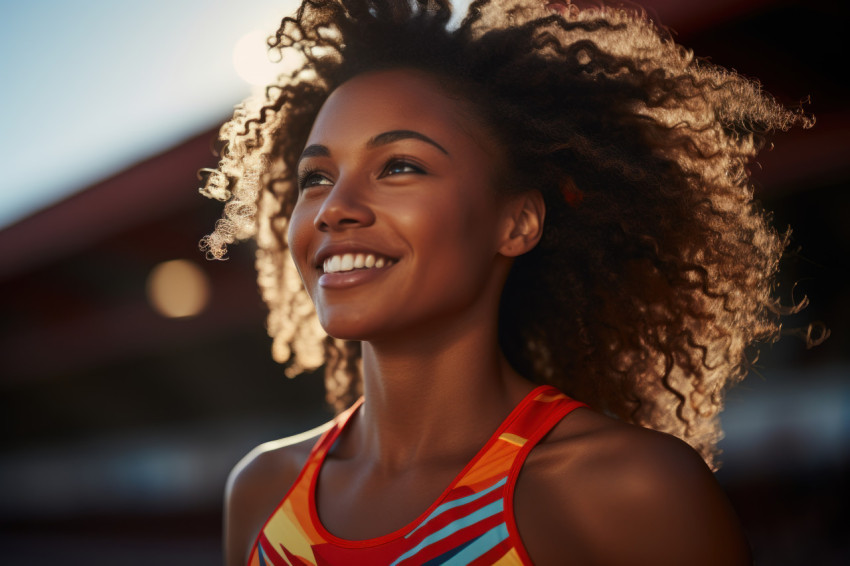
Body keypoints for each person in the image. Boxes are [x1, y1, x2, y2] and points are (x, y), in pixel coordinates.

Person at [199, 0, 811, 564]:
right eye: (316, 177)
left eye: (400, 166)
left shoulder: (631, 492)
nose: (334, 207)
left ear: (516, 223)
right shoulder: (261, 489)